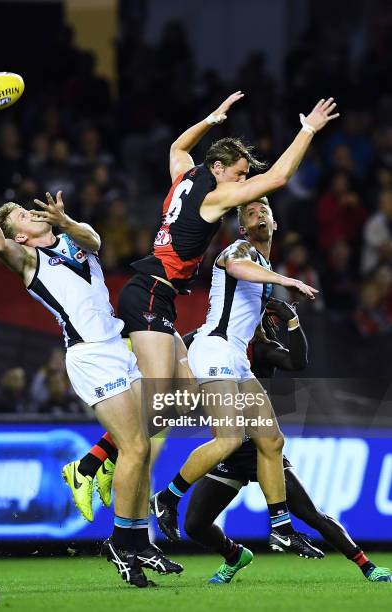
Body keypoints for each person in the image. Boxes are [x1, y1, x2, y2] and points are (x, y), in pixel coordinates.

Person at [66, 93, 339, 521]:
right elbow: (281, 177)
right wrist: (307, 131)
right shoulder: (212, 198)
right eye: (238, 174)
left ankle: (98, 461)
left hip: (160, 297)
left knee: (175, 404)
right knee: (158, 402)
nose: (240, 181)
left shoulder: (185, 175)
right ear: (217, 169)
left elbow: (177, 148)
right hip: (150, 293)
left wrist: (210, 119)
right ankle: (87, 468)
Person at [0, 161, 181, 588]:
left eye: (27, 210)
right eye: (22, 215)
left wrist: (66, 220)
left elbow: (94, 238)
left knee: (145, 444)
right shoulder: (29, 260)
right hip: (90, 356)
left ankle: (130, 530)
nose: (30, 214)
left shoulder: (75, 237)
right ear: (21, 234)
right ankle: (123, 542)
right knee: (132, 447)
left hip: (118, 345)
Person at [151, 198, 322, 559]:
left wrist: (264, 328)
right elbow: (235, 266)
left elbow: (246, 313)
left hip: (235, 358)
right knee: (228, 439)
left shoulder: (263, 263)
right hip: (214, 350)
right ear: (242, 227)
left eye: (264, 210)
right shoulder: (240, 249)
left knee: (271, 441)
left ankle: (281, 528)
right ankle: (166, 498)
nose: (258, 213)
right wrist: (285, 280)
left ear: (274, 223)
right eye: (250, 212)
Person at [183, 303, 392, 584]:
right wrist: (204, 331)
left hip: (259, 449)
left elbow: (297, 362)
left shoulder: (260, 349)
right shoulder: (215, 345)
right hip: (229, 449)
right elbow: (182, 345)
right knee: (195, 525)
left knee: (310, 514)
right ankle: (234, 556)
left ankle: (367, 565)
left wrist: (293, 321)